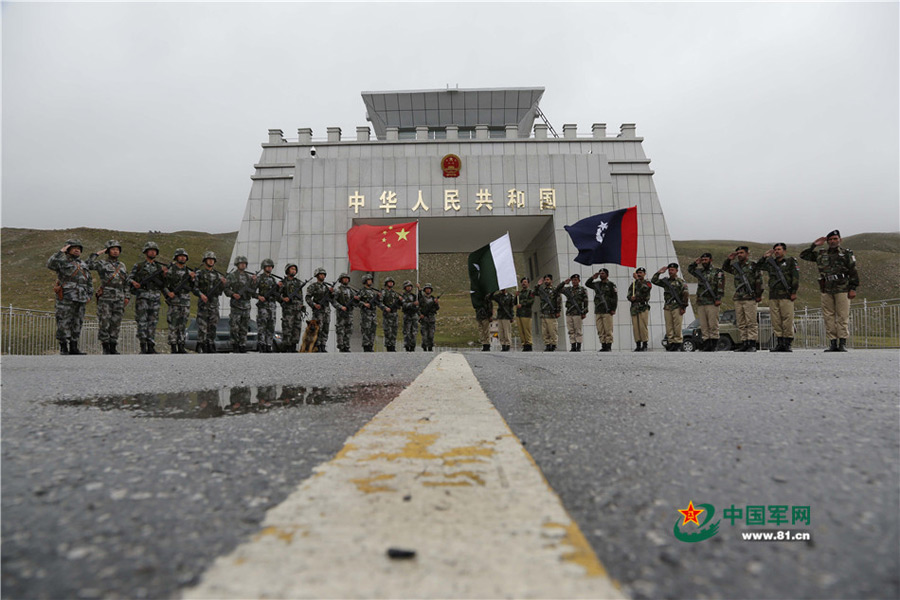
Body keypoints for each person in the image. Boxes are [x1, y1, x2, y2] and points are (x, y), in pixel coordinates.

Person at [800, 230, 859, 352]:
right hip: (826, 288)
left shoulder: (846, 253)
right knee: (828, 316)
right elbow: (803, 255)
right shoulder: (821, 254)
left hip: (842, 287)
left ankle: (842, 342)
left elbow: (853, 271)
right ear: (827, 241)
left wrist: (853, 288)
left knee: (842, 315)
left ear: (840, 240)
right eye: (830, 239)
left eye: (835, 239)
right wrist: (814, 245)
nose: (833, 241)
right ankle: (832, 342)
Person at [47, 239, 93, 355]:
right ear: (68, 250)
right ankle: (63, 346)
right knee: (63, 321)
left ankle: (74, 346)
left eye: (79, 248)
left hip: (81, 297)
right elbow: (50, 264)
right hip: (66, 297)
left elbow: (89, 281)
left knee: (78, 321)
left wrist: (89, 295)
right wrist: (60, 252)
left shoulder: (83, 264)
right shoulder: (62, 262)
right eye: (74, 248)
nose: (77, 250)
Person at [87, 239, 129, 355]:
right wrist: (96, 254)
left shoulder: (122, 265)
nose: (115, 252)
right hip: (106, 296)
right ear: (108, 251)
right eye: (112, 249)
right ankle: (105, 346)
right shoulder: (102, 263)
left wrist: (127, 296)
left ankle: (113, 346)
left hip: (119, 297)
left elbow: (126, 282)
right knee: (104, 321)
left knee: (116, 322)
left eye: (117, 249)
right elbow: (88, 265)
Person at [756, 243, 800, 352]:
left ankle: (787, 342)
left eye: (779, 249)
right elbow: (758, 266)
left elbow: (795, 277)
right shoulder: (771, 263)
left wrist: (793, 292)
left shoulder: (790, 261)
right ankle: (779, 342)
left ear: (784, 251)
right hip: (773, 295)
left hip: (786, 295)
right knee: (776, 320)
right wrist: (764, 257)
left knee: (787, 319)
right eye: (775, 250)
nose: (776, 251)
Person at [722, 246, 763, 352]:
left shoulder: (753, 265)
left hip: (750, 297)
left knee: (751, 322)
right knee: (741, 322)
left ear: (747, 253)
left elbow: (759, 280)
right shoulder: (736, 266)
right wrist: (729, 259)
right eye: (738, 253)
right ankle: (744, 343)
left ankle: (752, 344)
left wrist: (758, 295)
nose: (739, 255)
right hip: (738, 297)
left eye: (741, 253)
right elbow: (725, 268)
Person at [129, 242, 168, 354]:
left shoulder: (159, 267)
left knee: (153, 322)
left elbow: (164, 284)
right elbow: (129, 278)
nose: (153, 252)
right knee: (142, 321)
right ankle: (143, 346)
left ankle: (151, 345)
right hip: (143, 297)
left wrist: (165, 275)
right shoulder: (139, 266)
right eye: (150, 250)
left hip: (155, 297)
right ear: (146, 252)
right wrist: (134, 283)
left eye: (154, 250)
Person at [687, 253, 726, 352]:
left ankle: (714, 344)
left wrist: (718, 298)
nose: (704, 262)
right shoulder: (700, 272)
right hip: (701, 302)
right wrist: (695, 263)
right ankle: (706, 343)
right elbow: (690, 270)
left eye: (706, 260)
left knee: (713, 324)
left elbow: (720, 286)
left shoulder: (717, 272)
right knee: (704, 325)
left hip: (712, 302)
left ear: (710, 260)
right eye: (703, 260)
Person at [163, 248, 196, 354]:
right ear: (176, 257)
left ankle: (181, 345)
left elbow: (193, 287)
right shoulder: (171, 270)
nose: (182, 258)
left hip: (185, 301)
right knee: (173, 324)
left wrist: (192, 279)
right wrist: (168, 293)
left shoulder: (189, 271)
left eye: (184, 256)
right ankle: (173, 345)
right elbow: (164, 285)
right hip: (174, 301)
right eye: (180, 256)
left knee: (182, 324)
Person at [651, 263, 689, 352]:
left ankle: (678, 342)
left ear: (676, 271)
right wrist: (659, 272)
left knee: (677, 325)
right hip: (668, 306)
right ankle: (671, 342)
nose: (670, 272)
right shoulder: (665, 282)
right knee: (669, 326)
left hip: (677, 306)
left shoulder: (680, 281)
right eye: (669, 270)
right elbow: (654, 280)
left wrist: (684, 306)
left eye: (672, 270)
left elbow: (685, 294)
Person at [194, 251, 226, 354]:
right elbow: (194, 288)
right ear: (205, 261)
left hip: (214, 304)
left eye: (212, 260)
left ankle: (211, 344)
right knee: (202, 326)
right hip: (203, 304)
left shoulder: (218, 275)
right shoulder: (199, 274)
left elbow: (220, 291)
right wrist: (201, 295)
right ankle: (201, 344)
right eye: (209, 259)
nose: (211, 261)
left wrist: (223, 284)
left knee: (213, 326)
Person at [225, 256, 256, 353]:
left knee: (244, 327)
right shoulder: (232, 276)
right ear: (237, 265)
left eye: (244, 263)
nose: (243, 265)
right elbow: (226, 289)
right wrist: (233, 294)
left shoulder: (248, 277)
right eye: (241, 263)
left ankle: (243, 345)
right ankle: (235, 345)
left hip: (246, 305)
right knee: (234, 327)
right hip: (236, 305)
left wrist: (254, 282)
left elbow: (253, 291)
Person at [586, 269, 618, 352]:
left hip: (607, 310)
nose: (601, 275)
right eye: (600, 274)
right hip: (598, 310)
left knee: (608, 329)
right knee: (600, 329)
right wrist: (593, 277)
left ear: (607, 275)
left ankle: (609, 345)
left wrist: (613, 309)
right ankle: (603, 345)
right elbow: (587, 284)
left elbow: (615, 297)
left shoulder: (611, 285)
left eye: (603, 273)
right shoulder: (597, 284)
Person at [255, 259, 281, 353]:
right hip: (263, 306)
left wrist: (278, 287)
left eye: (270, 266)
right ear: (264, 267)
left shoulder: (273, 279)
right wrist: (258, 296)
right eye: (267, 266)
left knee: (271, 326)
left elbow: (277, 294)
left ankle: (268, 345)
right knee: (262, 326)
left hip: (272, 305)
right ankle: (261, 344)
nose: (269, 268)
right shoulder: (259, 278)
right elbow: (251, 291)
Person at [557, 274, 589, 352]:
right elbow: (558, 289)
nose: (574, 281)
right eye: (573, 280)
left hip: (578, 313)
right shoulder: (568, 289)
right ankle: (573, 345)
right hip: (569, 313)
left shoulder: (582, 289)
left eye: (576, 280)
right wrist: (564, 283)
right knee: (570, 330)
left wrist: (584, 312)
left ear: (579, 281)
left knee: (578, 330)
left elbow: (585, 301)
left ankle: (578, 346)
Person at [279, 263, 306, 353]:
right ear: (287, 270)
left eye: (295, 269)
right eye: (292, 269)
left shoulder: (298, 282)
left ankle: (293, 346)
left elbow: (301, 295)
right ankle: (286, 346)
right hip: (288, 309)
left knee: (297, 327)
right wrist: (283, 299)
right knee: (287, 327)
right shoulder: (283, 282)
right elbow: (277, 295)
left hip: (297, 308)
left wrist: (302, 305)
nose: (293, 271)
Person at [305, 267, 334, 352]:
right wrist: (314, 305)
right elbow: (308, 298)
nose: (322, 276)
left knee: (326, 328)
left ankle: (323, 345)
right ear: (317, 276)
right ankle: (317, 346)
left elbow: (332, 299)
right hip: (318, 311)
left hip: (326, 310)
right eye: (320, 274)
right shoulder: (313, 286)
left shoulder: (327, 287)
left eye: (323, 275)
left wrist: (332, 293)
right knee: (318, 329)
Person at [627, 267, 652, 352]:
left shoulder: (647, 283)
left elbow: (645, 289)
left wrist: (637, 280)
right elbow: (628, 294)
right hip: (634, 307)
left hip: (643, 307)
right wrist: (631, 298)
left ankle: (645, 344)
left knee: (642, 326)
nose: (639, 274)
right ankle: (638, 344)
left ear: (644, 274)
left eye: (641, 273)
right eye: (638, 273)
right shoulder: (633, 284)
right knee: (636, 327)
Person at [535, 274, 561, 351]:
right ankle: (547, 344)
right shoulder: (542, 290)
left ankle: (553, 345)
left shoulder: (554, 289)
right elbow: (534, 293)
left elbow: (558, 301)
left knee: (552, 330)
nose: (546, 281)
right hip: (544, 314)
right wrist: (538, 285)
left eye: (548, 280)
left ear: (551, 281)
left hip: (551, 314)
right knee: (545, 331)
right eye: (545, 280)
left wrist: (558, 311)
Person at [357, 273, 381, 352]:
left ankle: (371, 345)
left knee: (372, 330)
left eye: (370, 280)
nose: (370, 281)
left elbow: (378, 302)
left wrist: (379, 297)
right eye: (368, 280)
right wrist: (364, 304)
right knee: (366, 330)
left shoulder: (373, 291)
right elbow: (357, 301)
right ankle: (366, 346)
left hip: (373, 313)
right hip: (365, 314)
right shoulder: (362, 291)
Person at [333, 272, 356, 352]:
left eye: (347, 278)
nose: (346, 280)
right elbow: (334, 301)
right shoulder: (338, 290)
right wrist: (340, 307)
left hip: (349, 313)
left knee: (349, 330)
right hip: (341, 314)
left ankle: (347, 346)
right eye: (344, 278)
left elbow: (355, 302)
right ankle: (341, 346)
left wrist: (357, 299)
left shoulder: (351, 290)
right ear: (341, 280)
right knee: (340, 330)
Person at [379, 276, 401, 352]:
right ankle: (388, 346)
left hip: (394, 314)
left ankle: (393, 346)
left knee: (394, 331)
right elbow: (380, 302)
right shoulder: (383, 292)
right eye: (389, 282)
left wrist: (400, 300)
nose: (391, 283)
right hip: (387, 314)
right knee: (388, 331)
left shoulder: (394, 293)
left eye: (392, 282)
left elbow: (400, 303)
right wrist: (385, 308)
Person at [418, 283, 440, 352]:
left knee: (431, 336)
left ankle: (430, 349)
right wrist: (420, 314)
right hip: (424, 319)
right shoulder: (421, 299)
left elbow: (437, 308)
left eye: (429, 289)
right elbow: (418, 307)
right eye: (427, 289)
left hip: (431, 319)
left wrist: (436, 303)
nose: (428, 290)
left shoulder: (433, 299)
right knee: (424, 336)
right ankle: (424, 349)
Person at [515, 277, 535, 352]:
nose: (524, 283)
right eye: (522, 282)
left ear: (528, 283)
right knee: (521, 330)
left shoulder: (530, 292)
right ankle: (524, 344)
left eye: (525, 282)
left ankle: (529, 344)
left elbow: (531, 301)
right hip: (519, 314)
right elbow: (515, 303)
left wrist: (522, 304)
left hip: (526, 314)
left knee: (527, 330)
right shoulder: (519, 293)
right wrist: (516, 296)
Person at [400, 280, 420, 352]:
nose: (409, 288)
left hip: (414, 315)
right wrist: (413, 304)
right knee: (407, 332)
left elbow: (420, 300)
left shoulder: (414, 296)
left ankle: (413, 346)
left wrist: (419, 289)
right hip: (407, 315)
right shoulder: (403, 296)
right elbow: (404, 305)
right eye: (407, 287)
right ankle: (407, 347)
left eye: (410, 287)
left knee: (414, 332)